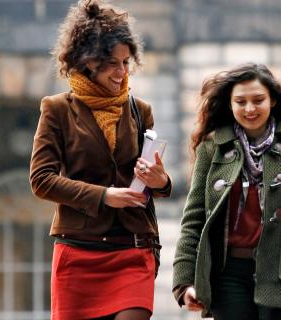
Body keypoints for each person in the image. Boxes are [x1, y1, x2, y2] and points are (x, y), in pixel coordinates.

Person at [29, 1, 171, 319]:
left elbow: (157, 186)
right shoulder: (57, 109)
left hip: (133, 247)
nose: (122, 73)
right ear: (88, 61)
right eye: (112, 64)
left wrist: (160, 180)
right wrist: (105, 196)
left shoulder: (140, 110)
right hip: (78, 249)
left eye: (126, 62)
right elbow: (42, 179)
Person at [172, 63, 281, 320]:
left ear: (272, 100)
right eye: (240, 101)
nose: (249, 109)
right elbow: (194, 220)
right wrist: (184, 281)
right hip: (226, 277)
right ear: (230, 104)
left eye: (258, 100)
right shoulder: (211, 150)